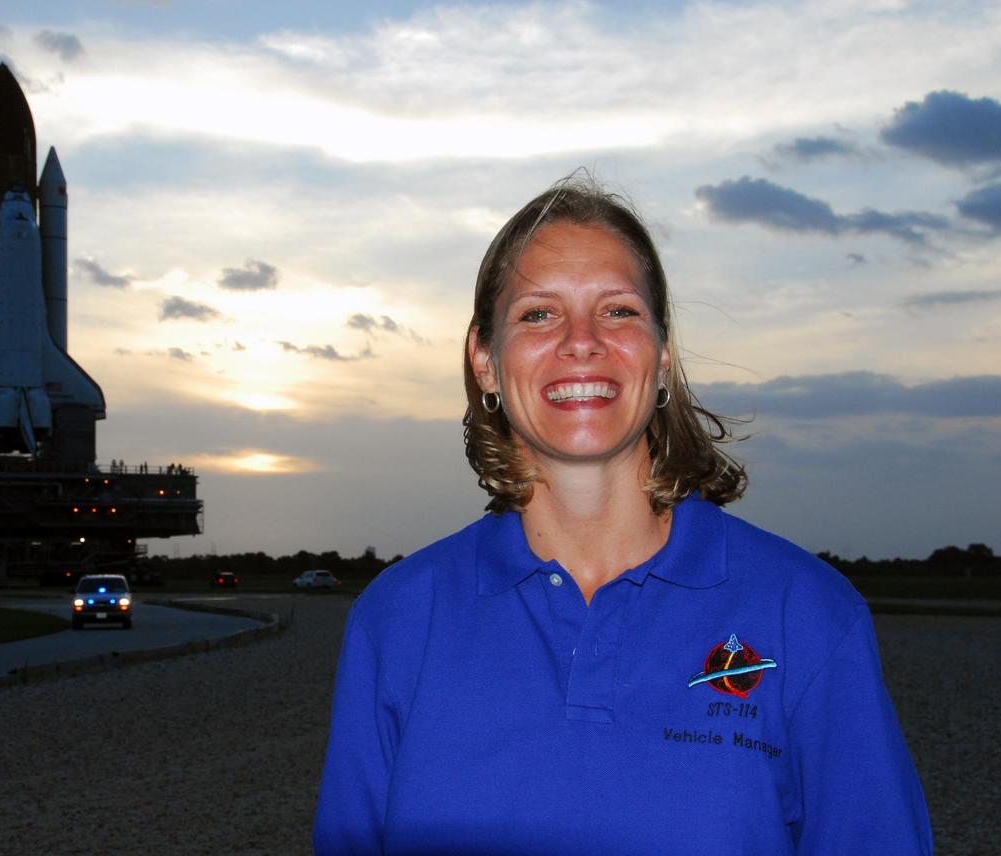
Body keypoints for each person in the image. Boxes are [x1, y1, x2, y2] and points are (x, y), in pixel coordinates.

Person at [313, 175, 932, 855]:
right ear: (484, 361)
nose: (581, 341)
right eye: (538, 314)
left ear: (663, 357)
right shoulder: (398, 622)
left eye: (619, 311)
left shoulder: (808, 615)